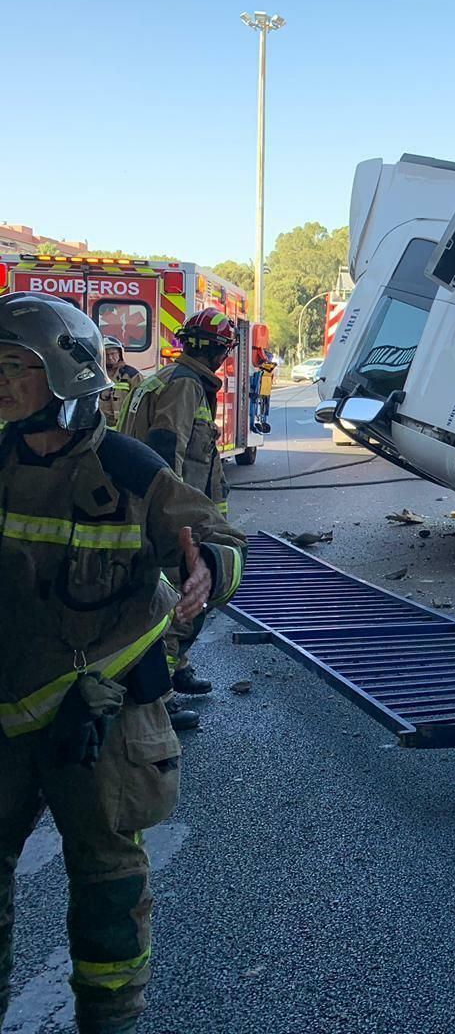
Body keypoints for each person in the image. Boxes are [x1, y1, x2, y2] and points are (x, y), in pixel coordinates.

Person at [0, 293, 244, 1034]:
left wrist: (211, 574)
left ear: (66, 376)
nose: (2, 385)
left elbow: (217, 539)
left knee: (108, 884)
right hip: (7, 709)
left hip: (101, 713)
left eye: (16, 367)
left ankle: (110, 1019)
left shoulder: (129, 470)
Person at [120, 308, 238, 728]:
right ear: (221, 352)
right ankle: (161, 696)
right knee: (181, 600)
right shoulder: (185, 386)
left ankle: (179, 667)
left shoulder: (168, 378)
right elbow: (166, 448)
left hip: (166, 510)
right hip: (176, 518)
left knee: (182, 596)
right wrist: (173, 517)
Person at [99, 336, 144, 431]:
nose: (110, 357)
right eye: (106, 355)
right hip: (100, 428)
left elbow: (142, 401)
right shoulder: (96, 375)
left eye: (113, 354)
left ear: (120, 354)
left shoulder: (132, 375)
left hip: (125, 428)